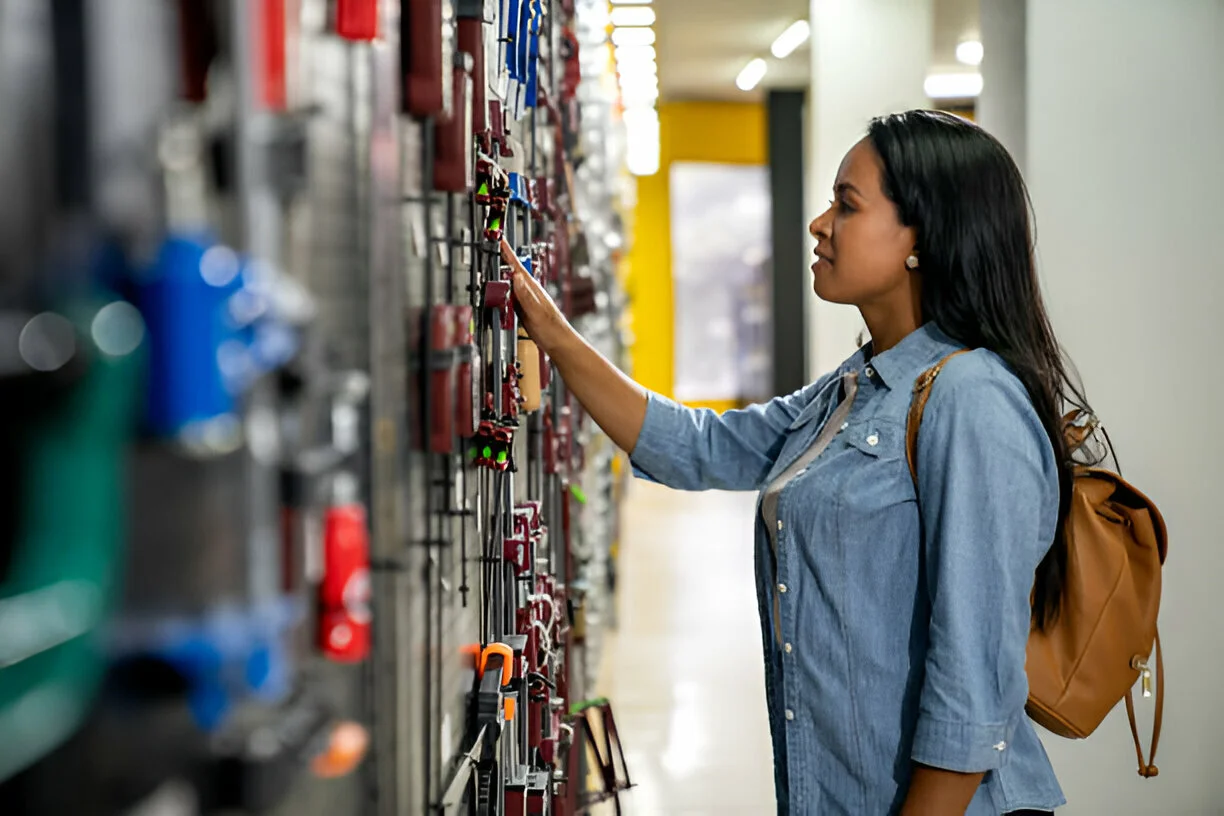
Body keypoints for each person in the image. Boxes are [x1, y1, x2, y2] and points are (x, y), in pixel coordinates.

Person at [501, 109, 1081, 816]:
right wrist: (553, 334)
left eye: (847, 204)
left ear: (920, 239)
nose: (819, 224)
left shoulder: (972, 401)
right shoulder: (858, 387)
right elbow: (700, 447)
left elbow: (972, 689)